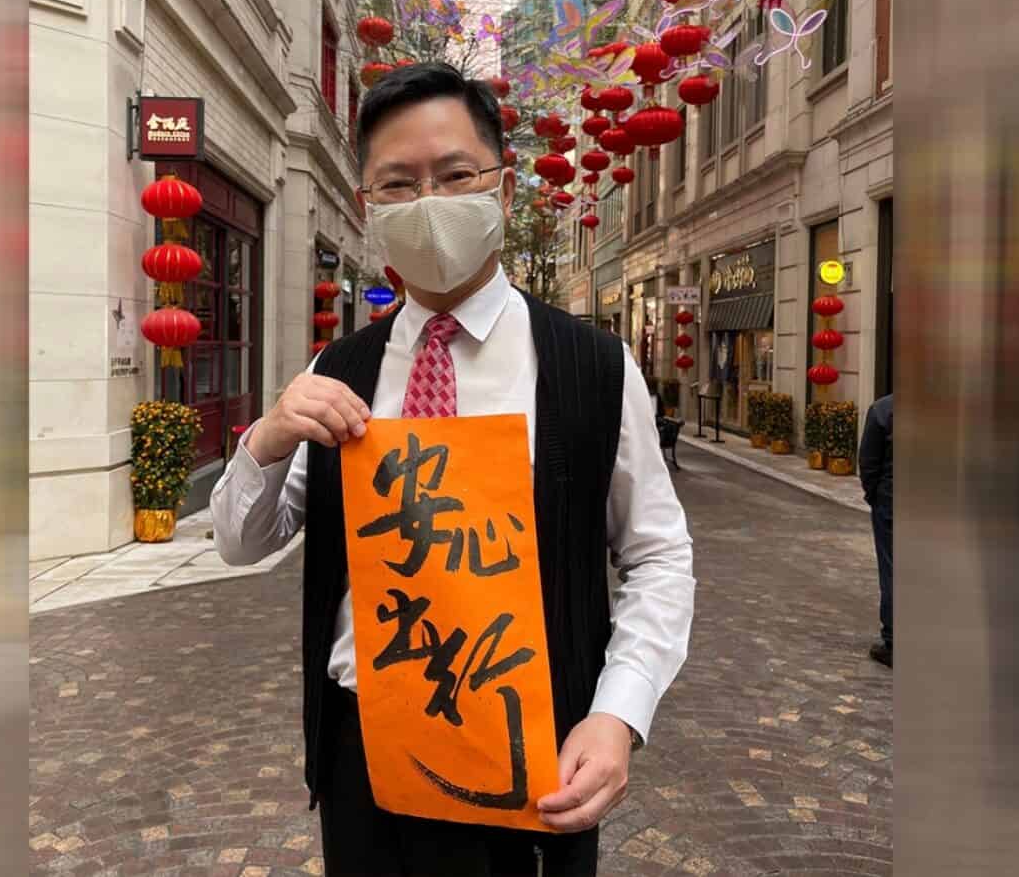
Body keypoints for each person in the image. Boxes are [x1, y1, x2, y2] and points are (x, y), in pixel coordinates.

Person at [210, 63, 695, 877]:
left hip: (532, 758)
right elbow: (240, 542)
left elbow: (658, 554)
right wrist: (269, 436)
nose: (428, 202)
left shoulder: (593, 367)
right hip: (362, 755)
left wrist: (619, 714)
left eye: (455, 174)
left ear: (503, 187)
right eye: (398, 184)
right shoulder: (340, 369)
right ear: (368, 205)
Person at [858, 394, 893, 668]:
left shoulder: (883, 410)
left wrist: (875, 496)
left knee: (892, 571)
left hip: (891, 504)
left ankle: (894, 642)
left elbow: (868, 463)